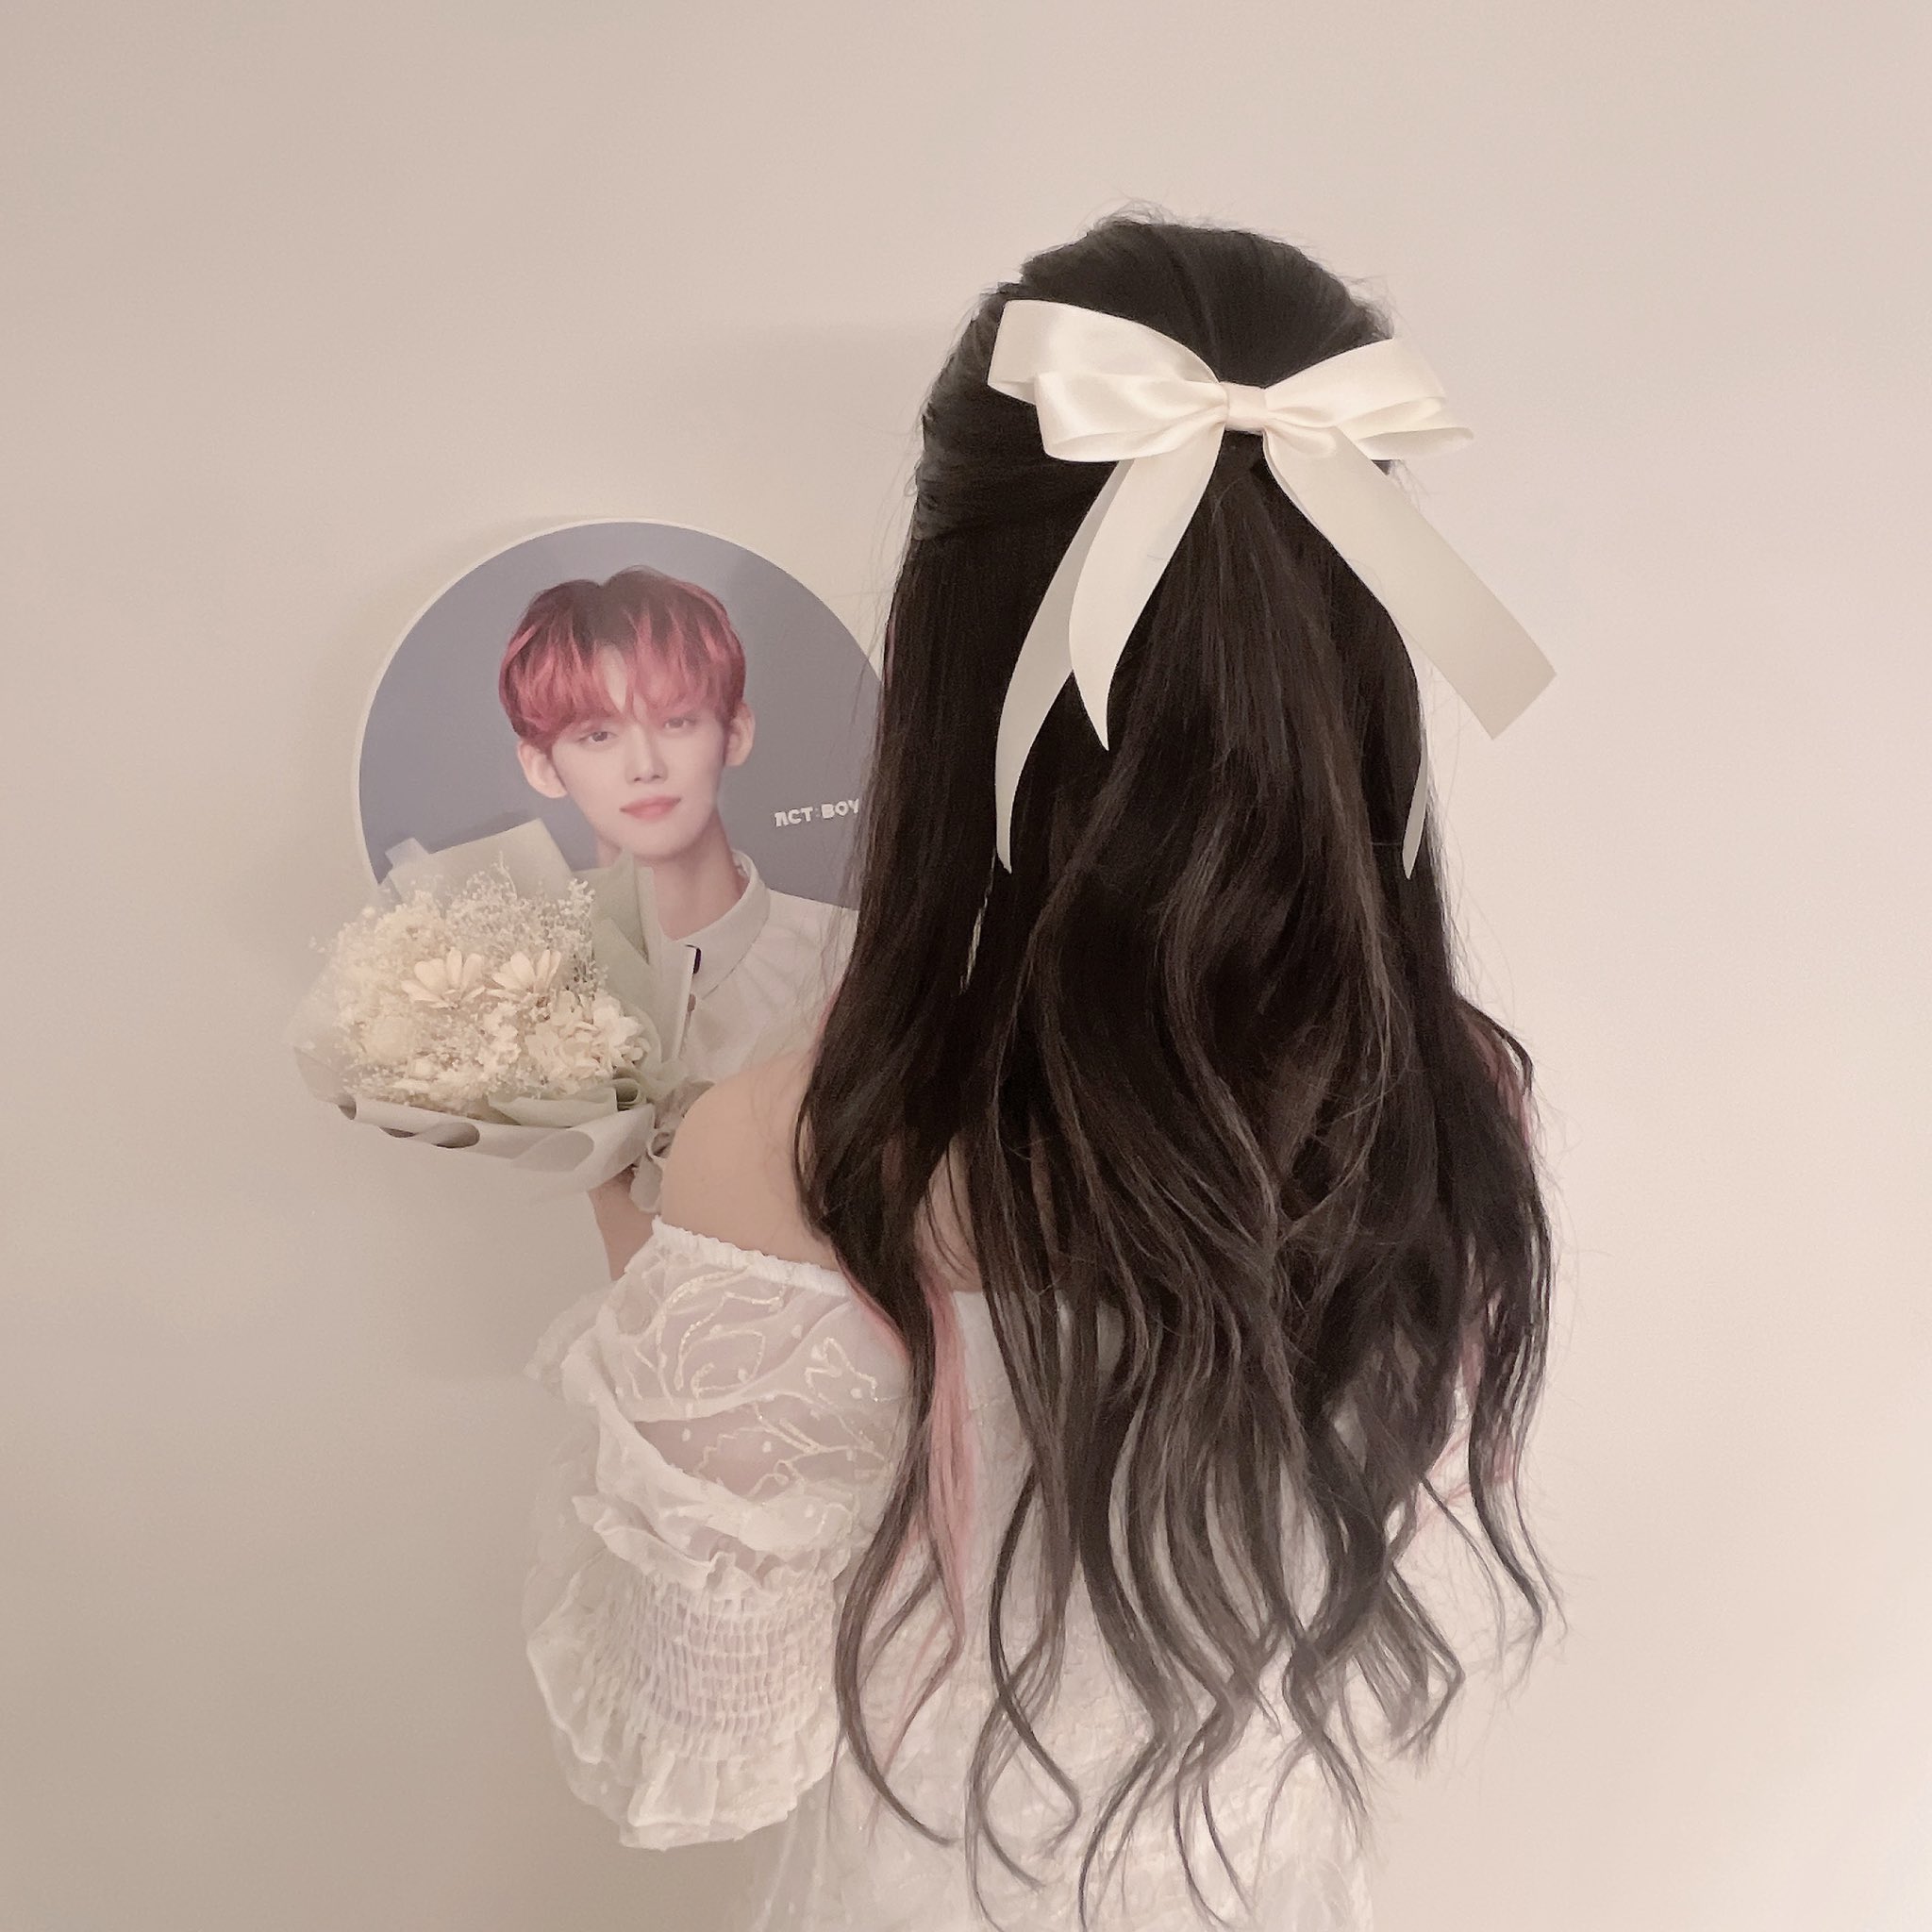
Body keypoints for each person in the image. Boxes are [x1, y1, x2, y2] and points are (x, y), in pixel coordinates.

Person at [521, 212, 1561, 1931]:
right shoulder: (1452, 1099)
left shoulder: (797, 1150)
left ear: (942, 646)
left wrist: (651, 1240)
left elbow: (707, 1745)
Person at [498, 565, 858, 1257]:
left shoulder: (852, 955)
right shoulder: (516, 1000)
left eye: (676, 721)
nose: (645, 765)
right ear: (543, 767)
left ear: (736, 732)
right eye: (598, 735)